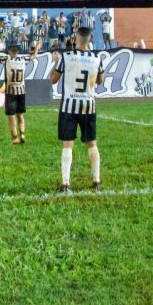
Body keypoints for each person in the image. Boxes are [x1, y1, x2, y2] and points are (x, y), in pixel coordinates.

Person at [51, 27, 104, 192]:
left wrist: (55, 62)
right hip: (88, 105)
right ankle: (96, 181)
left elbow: (53, 80)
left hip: (69, 105)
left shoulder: (66, 57)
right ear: (90, 39)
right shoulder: (96, 58)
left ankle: (66, 183)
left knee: (67, 145)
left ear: (75, 38)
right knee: (92, 143)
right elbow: (100, 81)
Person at [0, 44, 28, 144]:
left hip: (10, 91)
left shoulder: (7, 60)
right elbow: (34, 56)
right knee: (20, 115)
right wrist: (37, 48)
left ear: (10, 52)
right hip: (21, 91)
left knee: (11, 116)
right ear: (17, 52)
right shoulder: (23, 60)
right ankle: (22, 134)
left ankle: (15, 138)